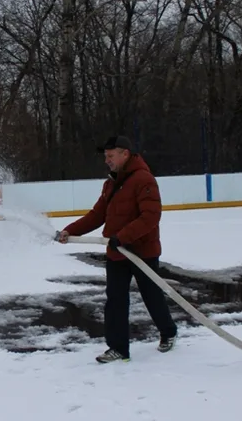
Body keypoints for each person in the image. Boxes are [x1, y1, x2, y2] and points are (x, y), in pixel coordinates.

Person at [55, 135, 178, 363]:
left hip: (142, 251)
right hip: (117, 252)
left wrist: (122, 237)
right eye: (105, 156)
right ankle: (118, 348)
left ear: (125, 154)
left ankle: (168, 332)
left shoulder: (144, 180)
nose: (107, 161)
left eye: (110, 156)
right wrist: (70, 230)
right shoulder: (111, 183)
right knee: (115, 300)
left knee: (152, 297)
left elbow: (151, 217)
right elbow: (97, 215)